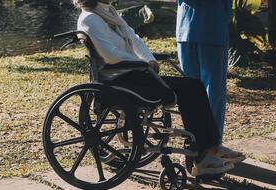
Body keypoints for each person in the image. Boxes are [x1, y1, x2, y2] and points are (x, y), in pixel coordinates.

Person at [72, 0, 244, 176]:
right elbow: (110, 55)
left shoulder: (109, 13)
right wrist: (141, 64)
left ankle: (208, 148)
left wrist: (149, 59)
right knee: (190, 90)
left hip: (134, 74)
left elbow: (133, 38)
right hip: (123, 79)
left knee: (193, 86)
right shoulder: (90, 19)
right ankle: (204, 153)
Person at [176, 0, 245, 162]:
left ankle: (201, 146)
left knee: (198, 92)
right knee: (206, 92)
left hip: (191, 26)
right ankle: (206, 147)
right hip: (205, 28)